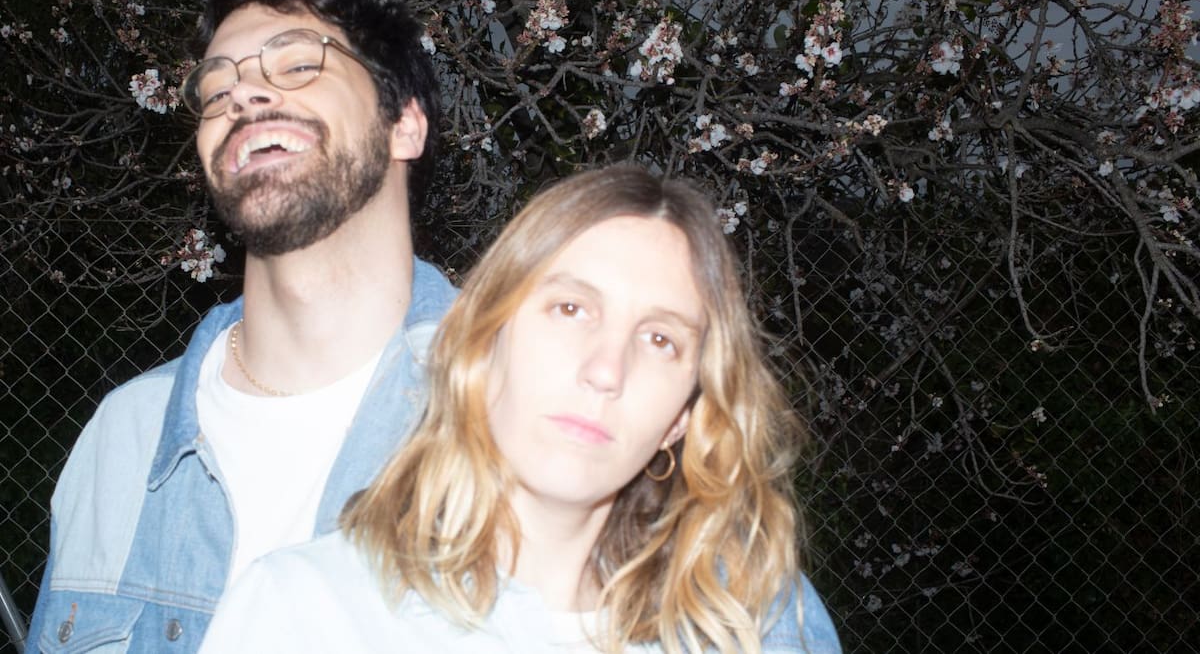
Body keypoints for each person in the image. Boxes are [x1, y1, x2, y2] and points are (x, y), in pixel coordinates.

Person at [198, 165, 842, 654]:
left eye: (659, 340)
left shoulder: (751, 631)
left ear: (681, 417)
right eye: (571, 309)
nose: (606, 370)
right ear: (486, 343)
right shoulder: (305, 612)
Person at [25, 0, 453, 651]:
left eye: (297, 64)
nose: (243, 95)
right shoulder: (125, 435)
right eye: (216, 88)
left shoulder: (520, 415)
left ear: (403, 124)